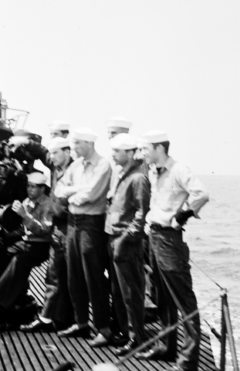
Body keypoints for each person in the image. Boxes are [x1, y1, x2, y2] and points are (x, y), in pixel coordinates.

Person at [135, 130, 209, 371]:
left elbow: (201, 193)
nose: (141, 153)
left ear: (159, 147)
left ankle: (188, 362)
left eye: (145, 148)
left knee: (183, 299)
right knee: (162, 297)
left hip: (169, 240)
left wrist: (183, 216)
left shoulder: (178, 169)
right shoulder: (154, 171)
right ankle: (167, 349)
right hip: (154, 236)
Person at [54, 128, 114, 346]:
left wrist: (73, 193)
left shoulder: (103, 165)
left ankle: (103, 329)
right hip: (72, 223)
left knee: (94, 276)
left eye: (77, 144)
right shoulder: (76, 165)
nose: (74, 148)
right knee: (74, 274)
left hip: (91, 225)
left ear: (89, 144)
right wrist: (76, 191)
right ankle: (81, 322)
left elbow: (89, 196)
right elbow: (59, 191)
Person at [20, 137, 75, 333]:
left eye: (56, 153)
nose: (51, 158)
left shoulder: (75, 171)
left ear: (68, 153)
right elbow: (43, 153)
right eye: (51, 154)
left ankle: (66, 319)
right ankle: (50, 318)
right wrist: (24, 142)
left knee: (70, 276)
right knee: (54, 275)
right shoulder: (56, 169)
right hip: (58, 230)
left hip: (71, 227)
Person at [104, 133, 150, 356]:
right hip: (113, 236)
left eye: (117, 152)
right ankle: (126, 333)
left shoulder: (138, 178)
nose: (113, 155)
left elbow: (141, 215)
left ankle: (137, 338)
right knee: (119, 291)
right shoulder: (122, 174)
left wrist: (125, 239)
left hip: (126, 241)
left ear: (130, 153)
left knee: (131, 292)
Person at [0, 172, 54, 308]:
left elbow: (44, 231)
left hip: (42, 245)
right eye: (28, 186)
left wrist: (25, 215)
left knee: (20, 260)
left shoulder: (48, 205)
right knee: (3, 254)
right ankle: (15, 296)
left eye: (34, 187)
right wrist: (3, 234)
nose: (29, 189)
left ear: (42, 189)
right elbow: (21, 229)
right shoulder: (26, 202)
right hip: (27, 242)